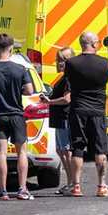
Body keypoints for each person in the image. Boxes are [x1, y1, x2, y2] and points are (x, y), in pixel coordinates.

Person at [0, 34, 35, 201]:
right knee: (22, 152)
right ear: (11, 48)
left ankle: (3, 191)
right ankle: (22, 189)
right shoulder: (20, 69)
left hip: (0, 115)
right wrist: (19, 90)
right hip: (17, 115)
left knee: (1, 154)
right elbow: (30, 90)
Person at [66, 32, 108, 198]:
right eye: (98, 42)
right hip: (98, 111)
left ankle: (76, 186)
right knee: (100, 149)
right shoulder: (105, 63)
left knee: (77, 148)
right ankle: (101, 185)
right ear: (93, 44)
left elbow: (69, 83)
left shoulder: (71, 63)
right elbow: (105, 81)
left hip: (78, 110)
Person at [40, 47, 76, 196]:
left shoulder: (69, 78)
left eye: (64, 60)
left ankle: (73, 184)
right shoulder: (64, 77)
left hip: (65, 118)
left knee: (66, 151)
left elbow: (67, 99)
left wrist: (50, 101)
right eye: (59, 59)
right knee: (61, 151)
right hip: (59, 118)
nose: (60, 63)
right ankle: (70, 183)